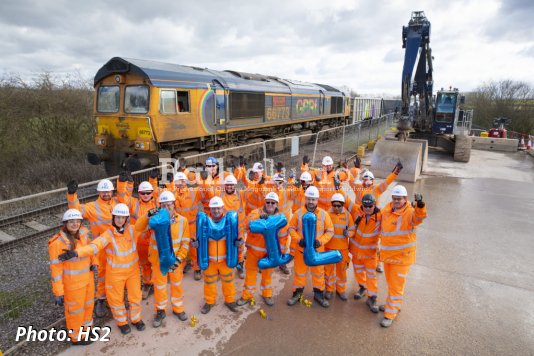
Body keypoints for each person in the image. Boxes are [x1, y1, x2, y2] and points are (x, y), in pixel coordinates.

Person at [59, 204, 145, 335]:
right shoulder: (108, 234)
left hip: (132, 272)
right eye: (117, 217)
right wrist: (77, 252)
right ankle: (122, 322)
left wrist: (148, 215)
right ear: (113, 218)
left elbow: (143, 224)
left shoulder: (133, 230)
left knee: (135, 297)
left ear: (127, 219)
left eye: (123, 218)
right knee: (116, 300)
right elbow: (94, 246)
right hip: (115, 274)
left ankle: (136, 319)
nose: (120, 220)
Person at [135, 191, 191, 327]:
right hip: (158, 261)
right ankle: (160, 311)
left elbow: (185, 242)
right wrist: (148, 214)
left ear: (174, 205)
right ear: (159, 206)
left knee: (177, 285)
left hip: (175, 261)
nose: (167, 207)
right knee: (159, 287)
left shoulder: (182, 221)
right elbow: (138, 227)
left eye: (169, 204)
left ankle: (178, 309)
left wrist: (179, 259)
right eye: (163, 205)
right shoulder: (155, 221)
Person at [66, 178, 119, 317]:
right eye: (103, 191)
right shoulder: (92, 207)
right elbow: (76, 210)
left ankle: (116, 296)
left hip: (118, 244)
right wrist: (72, 195)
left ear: (112, 191)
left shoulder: (118, 203)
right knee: (102, 273)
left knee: (118, 271)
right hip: (101, 247)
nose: (106, 194)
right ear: (99, 192)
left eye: (108, 191)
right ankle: (101, 298)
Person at [378, 185, 427, 328]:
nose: (396, 201)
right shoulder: (387, 209)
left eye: (399, 199)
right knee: (391, 284)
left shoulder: (411, 212)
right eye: (394, 198)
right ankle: (393, 304)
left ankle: (390, 314)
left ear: (405, 199)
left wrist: (420, 205)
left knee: (396, 287)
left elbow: (419, 217)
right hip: (388, 256)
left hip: (402, 258)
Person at [48, 209, 96, 346]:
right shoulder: (57, 243)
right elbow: (55, 270)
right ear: (65, 223)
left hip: (87, 280)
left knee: (87, 307)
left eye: (77, 221)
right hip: (73, 286)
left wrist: (95, 263)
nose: (75, 224)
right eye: (71, 221)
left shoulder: (84, 235)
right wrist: (58, 292)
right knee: (75, 312)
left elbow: (91, 251)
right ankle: (76, 337)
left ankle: (87, 330)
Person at [236, 192, 289, 307]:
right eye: (268, 202)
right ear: (264, 202)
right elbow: (246, 224)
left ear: (276, 204)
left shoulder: (279, 219)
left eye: (272, 203)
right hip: (253, 252)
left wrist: (282, 254)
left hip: (269, 254)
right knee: (250, 275)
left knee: (267, 276)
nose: (270, 204)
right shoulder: (256, 213)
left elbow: (283, 237)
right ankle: (247, 296)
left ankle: (267, 294)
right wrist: (259, 219)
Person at [288, 186, 334, 308]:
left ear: (317, 200)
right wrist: (299, 240)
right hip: (301, 251)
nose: (311, 202)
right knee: (299, 273)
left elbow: (330, 231)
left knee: (318, 274)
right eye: (309, 199)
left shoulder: (324, 215)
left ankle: (319, 295)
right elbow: (291, 228)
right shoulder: (298, 213)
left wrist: (320, 241)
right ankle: (297, 293)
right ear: (305, 198)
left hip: (317, 252)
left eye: (313, 199)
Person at [193, 197, 240, 314]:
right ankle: (210, 301)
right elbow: (196, 236)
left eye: (218, 208)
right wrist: (194, 242)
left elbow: (238, 234)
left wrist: (240, 240)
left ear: (223, 208)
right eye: (213, 209)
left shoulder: (229, 223)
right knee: (209, 282)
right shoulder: (205, 223)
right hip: (210, 261)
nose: (216, 211)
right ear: (210, 209)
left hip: (225, 260)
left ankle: (230, 300)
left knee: (228, 281)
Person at [117, 176, 158, 299]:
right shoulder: (133, 203)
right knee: (144, 264)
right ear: (139, 193)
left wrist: (153, 180)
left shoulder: (157, 203)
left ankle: (157, 282)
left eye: (148, 193)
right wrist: (123, 183)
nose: (145, 195)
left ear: (152, 193)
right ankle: (147, 283)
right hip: (138, 241)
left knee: (155, 263)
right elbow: (122, 197)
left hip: (153, 240)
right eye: (142, 193)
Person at [203, 175, 247, 279]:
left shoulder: (241, 195)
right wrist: (205, 179)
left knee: (239, 248)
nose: (230, 187)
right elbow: (209, 190)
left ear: (235, 185)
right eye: (228, 185)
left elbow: (252, 192)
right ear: (224, 185)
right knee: (224, 247)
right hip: (224, 228)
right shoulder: (219, 195)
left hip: (238, 228)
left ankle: (240, 266)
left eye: (232, 185)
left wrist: (255, 181)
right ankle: (222, 267)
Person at [350, 194, 381, 313]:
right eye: (365, 206)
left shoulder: (380, 217)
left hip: (370, 254)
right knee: (358, 272)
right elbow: (346, 201)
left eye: (370, 206)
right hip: (357, 253)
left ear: (374, 205)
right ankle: (362, 288)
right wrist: (338, 188)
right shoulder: (357, 213)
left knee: (371, 276)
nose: (367, 208)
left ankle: (372, 298)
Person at [170, 172, 204, 281]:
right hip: (178, 225)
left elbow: (205, 190)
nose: (181, 183)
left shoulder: (193, 192)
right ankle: (182, 265)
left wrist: (202, 178)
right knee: (180, 247)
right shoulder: (172, 195)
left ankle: (197, 268)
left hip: (192, 225)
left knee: (194, 247)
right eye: (178, 181)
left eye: (183, 181)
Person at [324, 193, 355, 301]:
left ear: (343, 205)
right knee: (328, 270)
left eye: (339, 205)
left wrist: (349, 233)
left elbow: (352, 230)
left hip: (342, 249)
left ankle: (341, 290)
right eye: (334, 205)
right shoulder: (327, 214)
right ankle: (329, 289)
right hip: (329, 248)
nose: (336, 208)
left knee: (341, 271)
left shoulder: (347, 215)